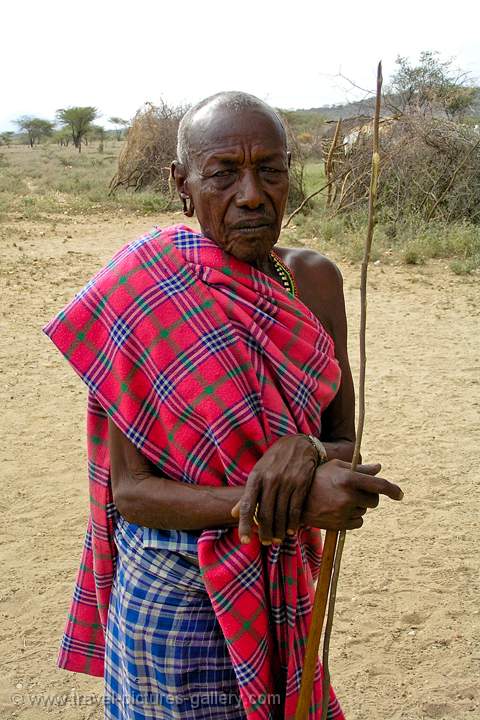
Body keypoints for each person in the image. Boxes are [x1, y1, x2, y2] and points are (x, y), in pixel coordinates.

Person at [43, 91, 403, 720]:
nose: (251, 194)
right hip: (173, 594)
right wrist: (270, 502)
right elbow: (131, 492)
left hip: (284, 582)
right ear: (181, 184)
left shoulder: (315, 280)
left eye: (270, 169)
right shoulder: (142, 287)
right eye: (223, 173)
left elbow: (342, 437)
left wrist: (307, 452)